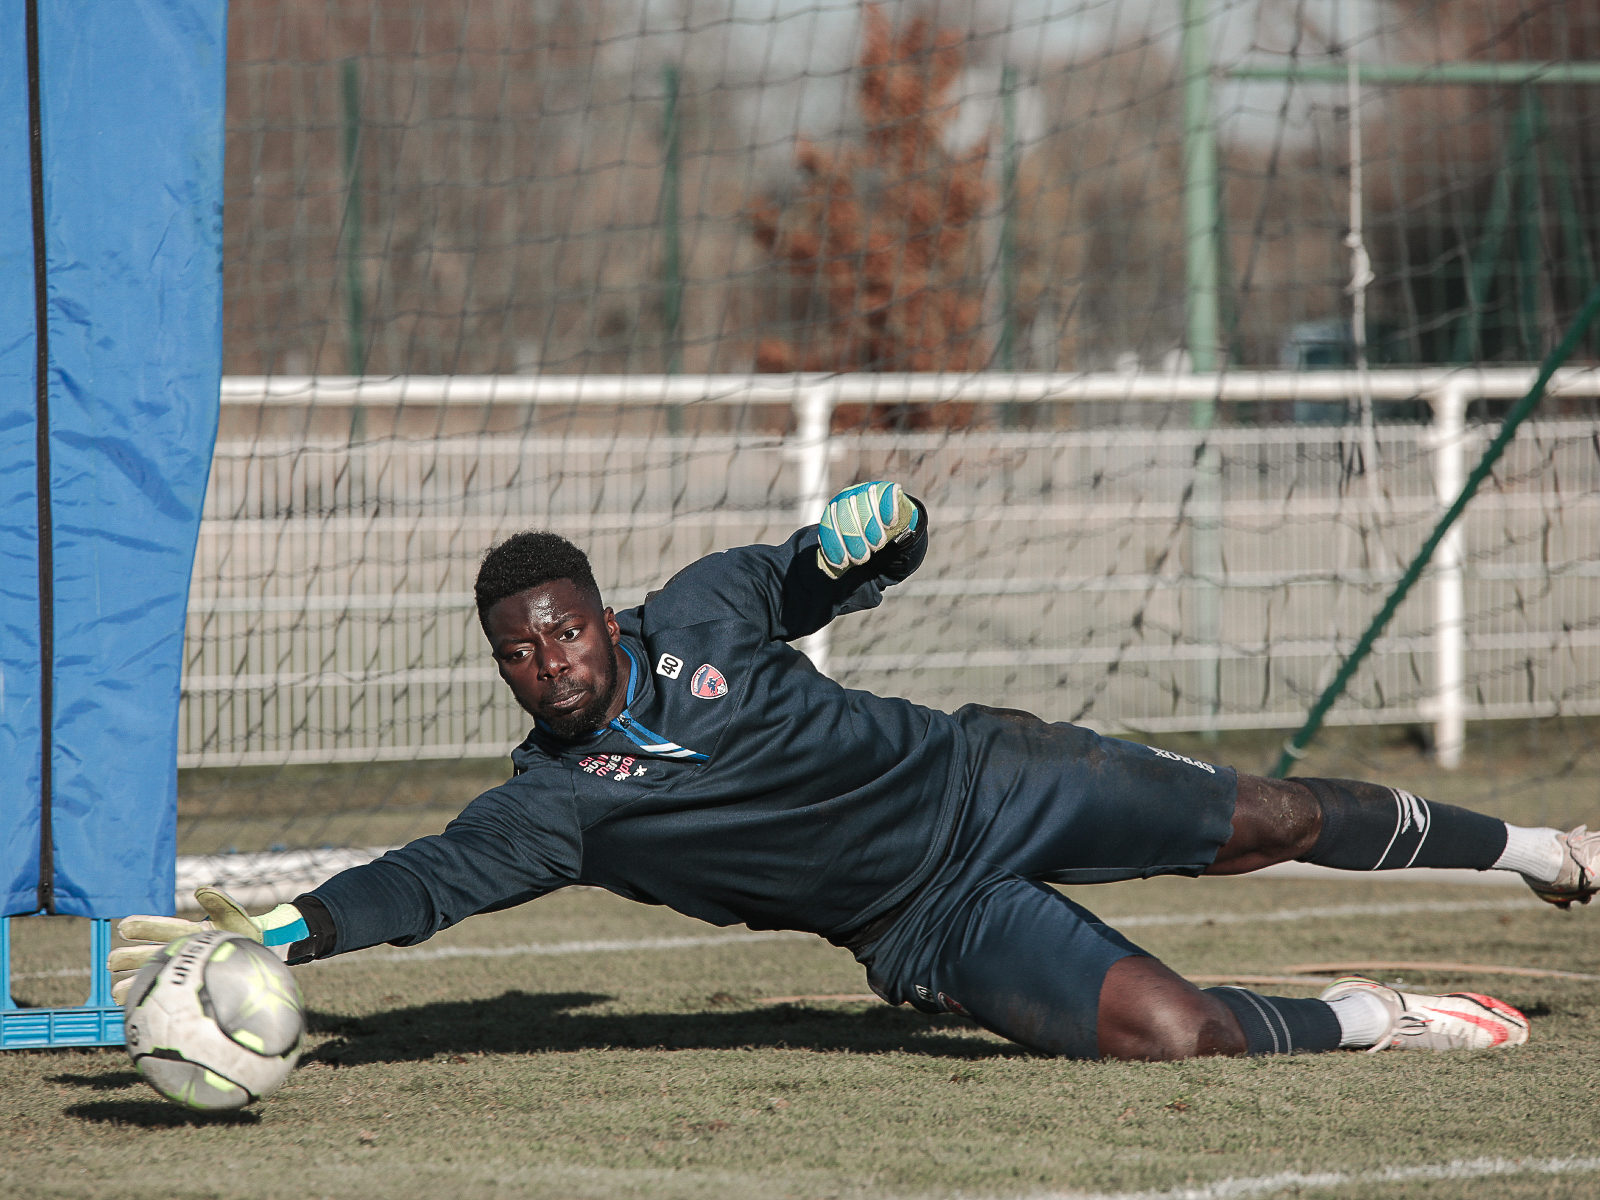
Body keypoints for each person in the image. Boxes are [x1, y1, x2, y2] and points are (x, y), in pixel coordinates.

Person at [115, 481, 1598, 1061]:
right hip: (922, 926)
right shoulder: (553, 806)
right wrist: (284, 932)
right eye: (515, 652)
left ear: (600, 614)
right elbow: (421, 884)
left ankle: (1541, 847)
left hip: (994, 780)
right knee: (1176, 1036)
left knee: (1264, 819)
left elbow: (829, 569)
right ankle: (1384, 1014)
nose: (545, 662)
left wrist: (879, 531)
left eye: (559, 630)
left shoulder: (699, 608)